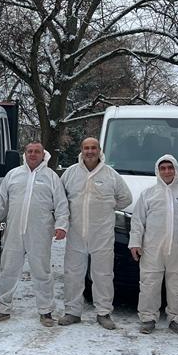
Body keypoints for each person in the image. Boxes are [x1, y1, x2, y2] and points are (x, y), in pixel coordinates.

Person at [0, 142, 69, 326]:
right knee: (8, 269)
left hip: (40, 232)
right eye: (30, 151)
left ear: (43, 154)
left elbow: (62, 205)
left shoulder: (51, 177)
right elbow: (1, 201)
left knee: (42, 271)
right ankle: (2, 309)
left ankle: (46, 311)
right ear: (25, 154)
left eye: (37, 151)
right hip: (14, 230)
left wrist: (62, 225)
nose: (33, 154)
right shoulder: (13, 175)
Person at [60, 136, 133, 330]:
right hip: (76, 233)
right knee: (73, 273)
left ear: (99, 150)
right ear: (81, 151)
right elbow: (60, 199)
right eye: (86, 148)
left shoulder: (110, 175)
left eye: (93, 148)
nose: (90, 151)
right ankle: (72, 312)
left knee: (103, 274)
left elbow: (126, 198)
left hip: (102, 234)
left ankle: (103, 313)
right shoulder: (71, 174)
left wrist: (107, 208)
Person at [129, 154, 178, 335]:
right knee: (149, 284)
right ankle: (148, 318)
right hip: (152, 249)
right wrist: (135, 243)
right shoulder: (148, 194)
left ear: (176, 170)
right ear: (157, 171)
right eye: (163, 168)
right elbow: (138, 221)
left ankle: (176, 319)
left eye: (170, 168)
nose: (167, 171)